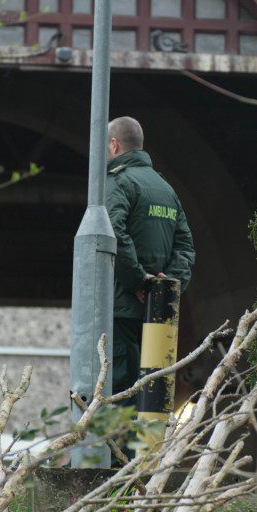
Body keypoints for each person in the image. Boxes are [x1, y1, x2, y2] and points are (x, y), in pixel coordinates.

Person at [105, 116, 195, 403]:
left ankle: (123, 451)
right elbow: (186, 246)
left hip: (122, 313)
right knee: (153, 395)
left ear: (114, 144)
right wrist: (166, 286)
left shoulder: (118, 182)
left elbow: (114, 233)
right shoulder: (166, 190)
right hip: (159, 315)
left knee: (121, 395)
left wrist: (138, 281)